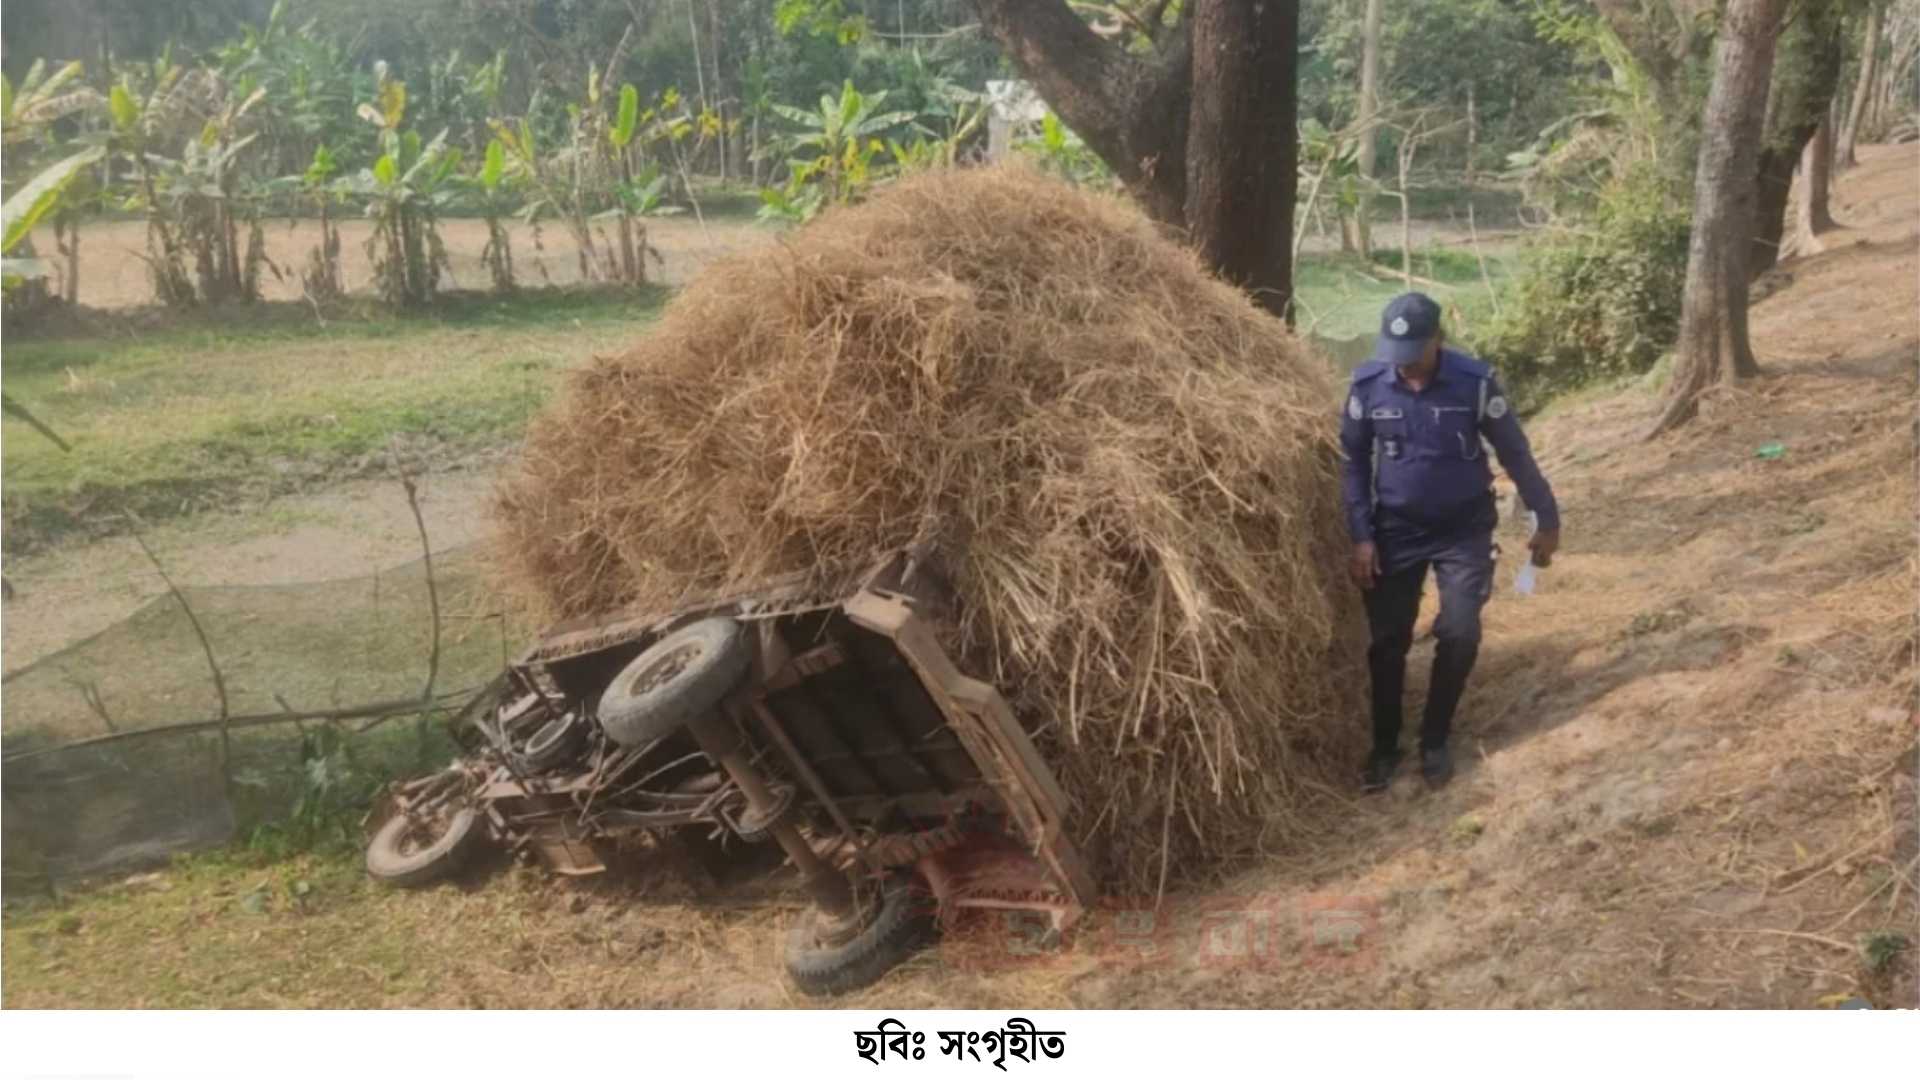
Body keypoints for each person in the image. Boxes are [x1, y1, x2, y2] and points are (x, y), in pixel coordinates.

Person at [1339, 293, 1561, 792]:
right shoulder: (1368, 386)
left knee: (1460, 633)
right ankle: (1385, 745)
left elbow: (1515, 453)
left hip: (1463, 530)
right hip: (1395, 530)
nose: (1404, 365)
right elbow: (1352, 464)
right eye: (1396, 353)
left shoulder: (1474, 384)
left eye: (1414, 353)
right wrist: (1361, 536)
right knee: (1386, 642)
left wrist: (1546, 517)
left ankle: (1435, 738)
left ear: (1437, 339)